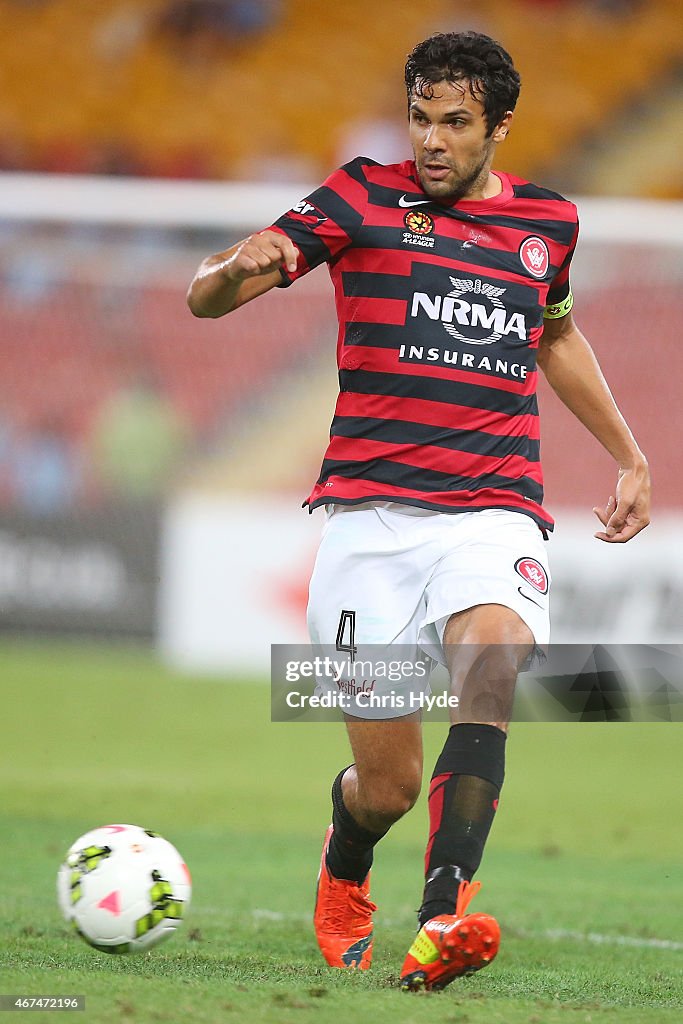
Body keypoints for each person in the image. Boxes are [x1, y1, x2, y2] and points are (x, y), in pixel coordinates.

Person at [187, 31, 651, 991]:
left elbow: (554, 336)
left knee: (490, 668)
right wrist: (239, 268)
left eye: (455, 123)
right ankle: (345, 859)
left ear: (498, 128)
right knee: (388, 785)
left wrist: (627, 452)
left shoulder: (547, 224)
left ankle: (441, 916)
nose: (431, 141)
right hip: (366, 524)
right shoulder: (358, 194)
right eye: (420, 119)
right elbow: (209, 299)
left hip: (493, 509)